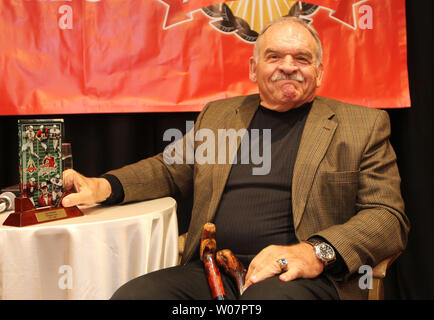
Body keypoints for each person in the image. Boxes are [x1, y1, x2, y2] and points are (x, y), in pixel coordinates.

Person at [62, 17, 409, 300]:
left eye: (301, 59)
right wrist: (105, 185)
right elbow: (168, 169)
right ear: (253, 68)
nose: (288, 67)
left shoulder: (362, 125)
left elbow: (388, 217)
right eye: (274, 57)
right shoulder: (219, 116)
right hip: (212, 272)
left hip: (298, 278)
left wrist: (314, 252)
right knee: (133, 297)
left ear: (319, 71)